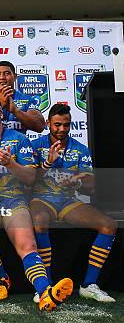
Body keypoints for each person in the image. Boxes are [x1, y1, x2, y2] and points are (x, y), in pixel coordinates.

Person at [0, 95, 72, 312]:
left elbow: (30, 178)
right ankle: (1, 278)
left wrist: (11, 163)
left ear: (1, 114)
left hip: (14, 199)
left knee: (27, 245)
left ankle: (45, 292)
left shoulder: (19, 139)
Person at [31, 103, 117, 302]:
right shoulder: (35, 146)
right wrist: (48, 163)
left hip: (68, 201)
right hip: (41, 199)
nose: (61, 129)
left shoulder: (80, 149)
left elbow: (91, 183)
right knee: (39, 221)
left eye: (66, 125)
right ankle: (46, 286)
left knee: (108, 225)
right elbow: (28, 180)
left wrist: (77, 181)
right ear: (48, 123)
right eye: (57, 124)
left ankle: (89, 284)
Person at [0, 61, 45, 135]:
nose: (2, 77)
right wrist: (0, 105)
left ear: (15, 76)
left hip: (18, 145)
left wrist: (16, 111)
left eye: (7, 73)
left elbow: (40, 126)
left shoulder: (27, 99)